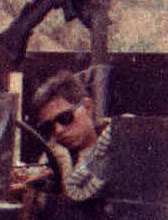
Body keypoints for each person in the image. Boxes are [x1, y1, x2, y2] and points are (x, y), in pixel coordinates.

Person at [26, 70, 112, 202]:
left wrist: (64, 168)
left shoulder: (114, 146)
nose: (58, 130)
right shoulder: (53, 154)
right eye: (49, 126)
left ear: (87, 107)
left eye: (65, 118)